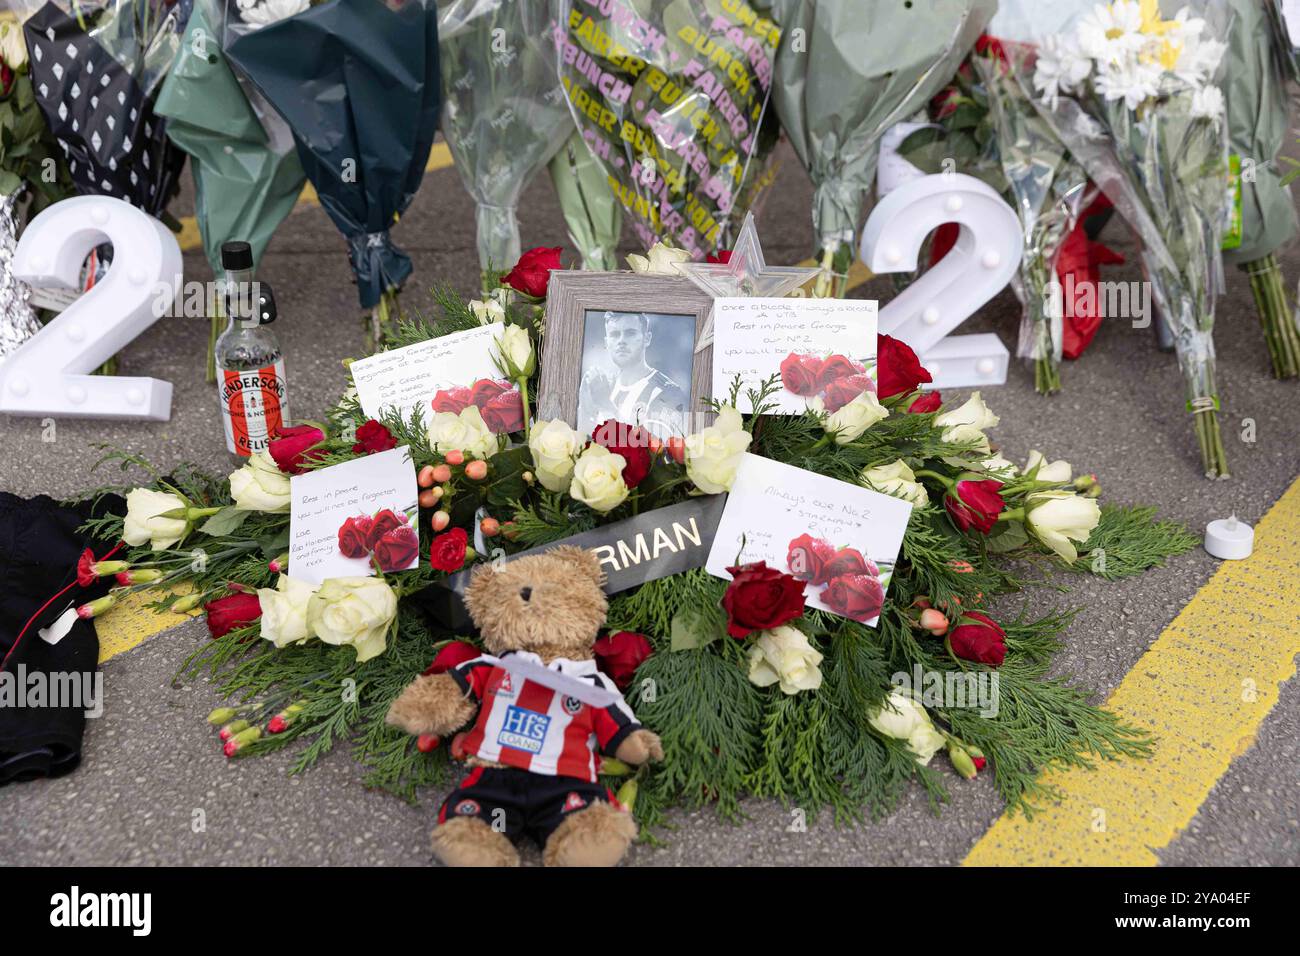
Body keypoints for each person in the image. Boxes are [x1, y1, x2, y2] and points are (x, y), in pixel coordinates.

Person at [578, 311, 688, 439]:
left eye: (630, 333)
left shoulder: (668, 392)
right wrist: (584, 410)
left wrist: (606, 405)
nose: (621, 341)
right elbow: (584, 442)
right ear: (607, 342)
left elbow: (656, 454)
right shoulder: (602, 385)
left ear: (647, 339)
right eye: (614, 335)